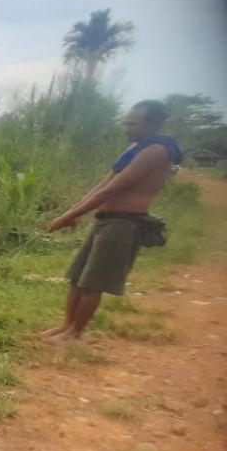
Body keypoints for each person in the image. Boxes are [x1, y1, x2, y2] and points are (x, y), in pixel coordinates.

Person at [42, 100, 182, 341]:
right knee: (78, 277)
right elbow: (101, 186)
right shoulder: (135, 149)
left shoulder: (155, 151)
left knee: (93, 282)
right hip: (105, 220)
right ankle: (65, 326)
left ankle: (76, 332)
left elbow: (111, 191)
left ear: (154, 124)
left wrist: (68, 216)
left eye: (133, 124)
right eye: (126, 123)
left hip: (122, 224)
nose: (127, 128)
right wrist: (71, 212)